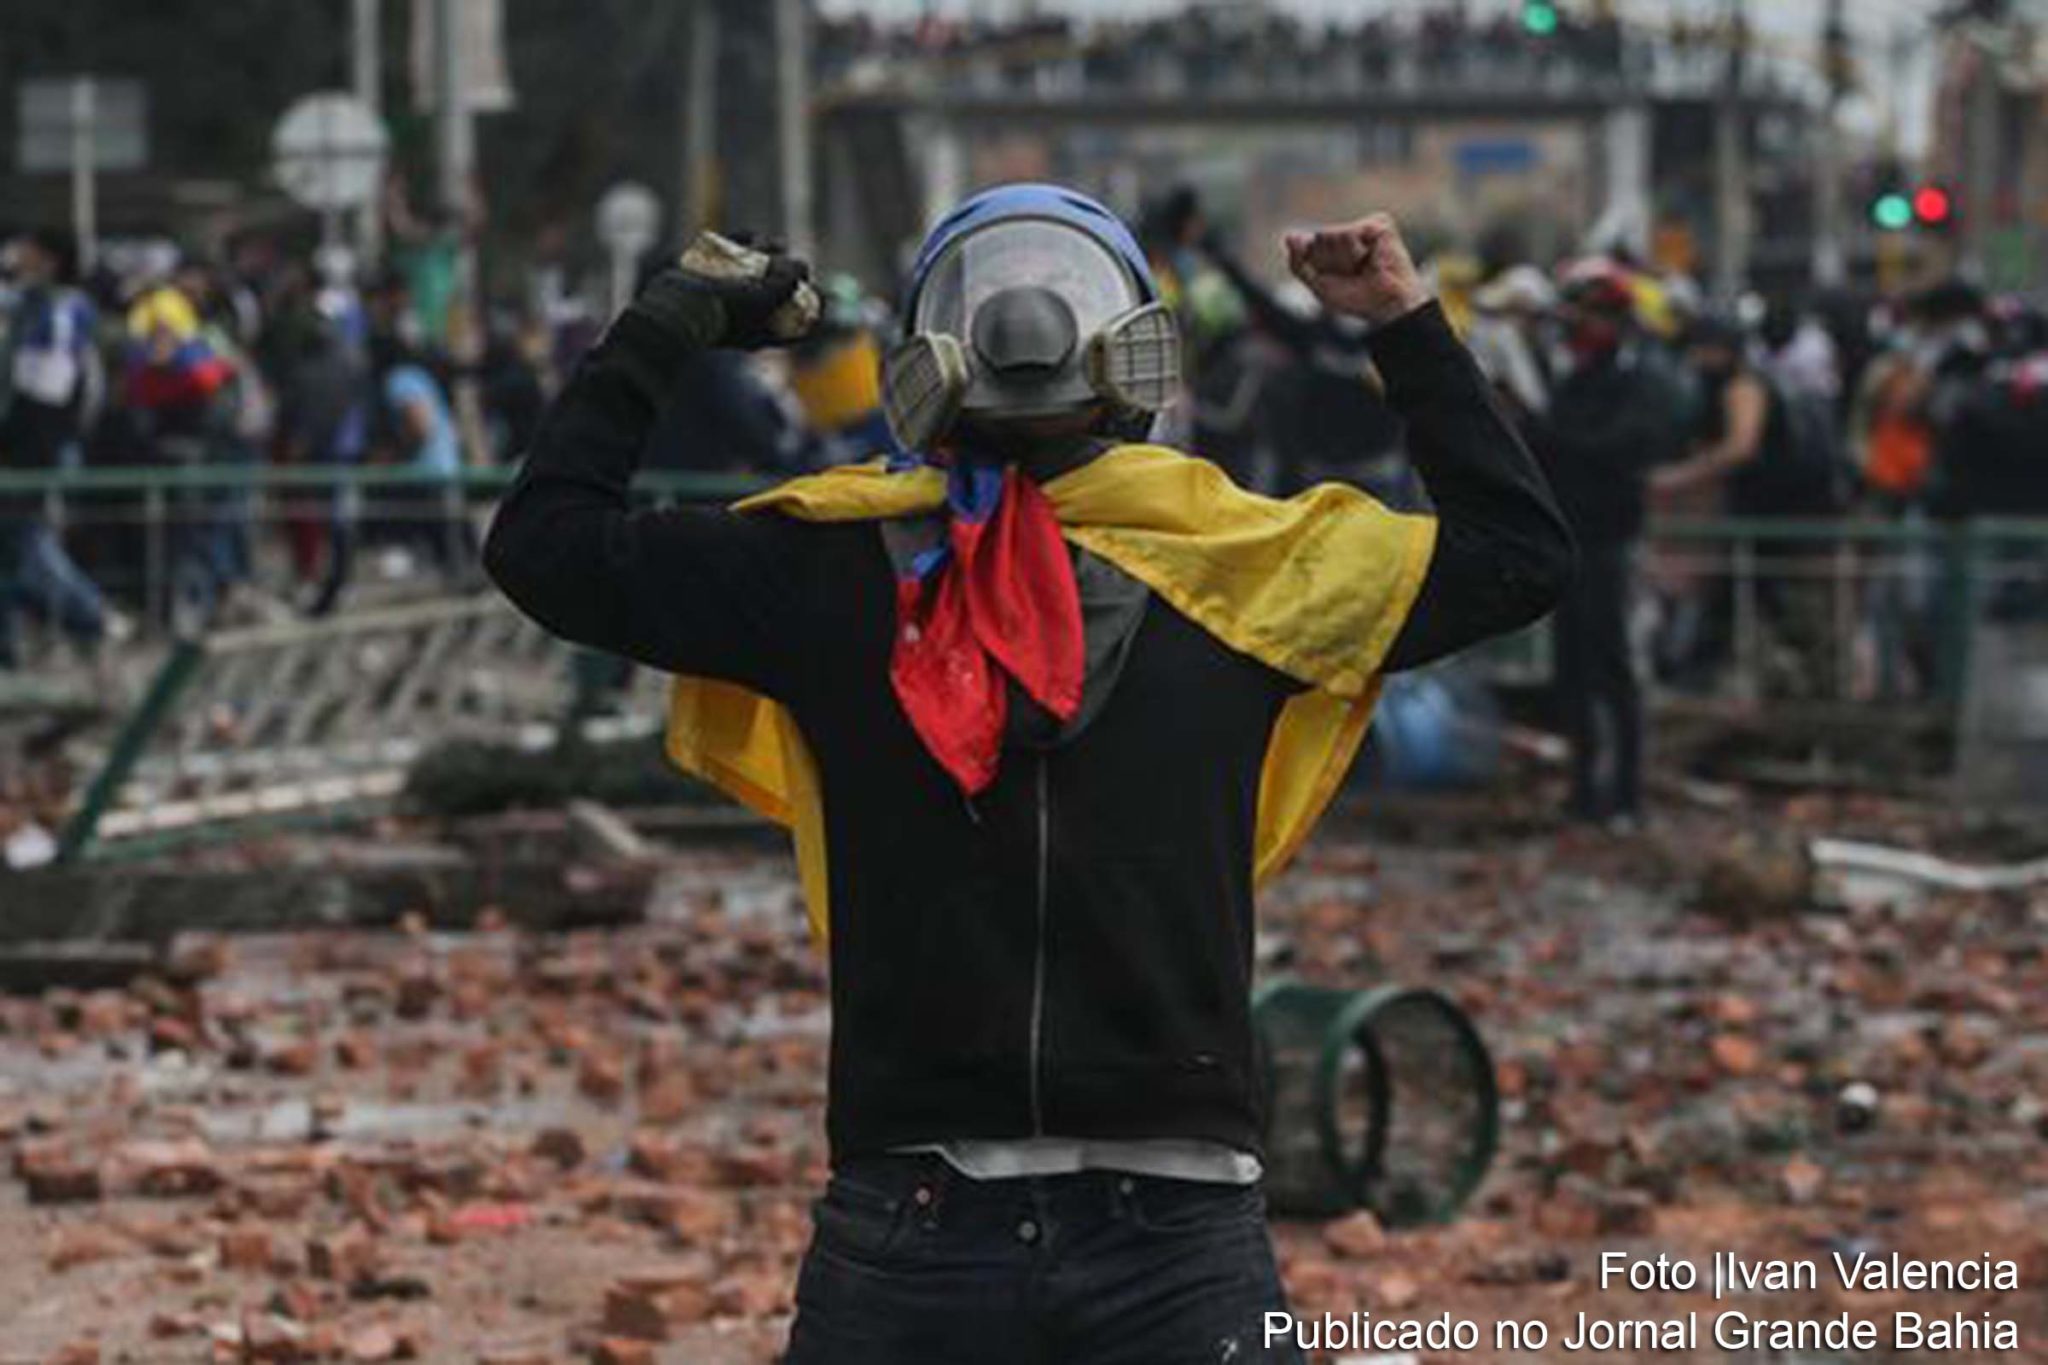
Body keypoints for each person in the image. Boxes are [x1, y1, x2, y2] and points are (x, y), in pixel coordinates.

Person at [485, 185, 1572, 1363]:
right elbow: (1516, 554)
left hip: (915, 1220)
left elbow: (545, 545)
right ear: (1134, 361)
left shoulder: (824, 572)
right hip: (1178, 1228)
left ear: (926, 367)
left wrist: (671, 322)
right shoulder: (1261, 577)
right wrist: (1399, 324)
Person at [1531, 262, 1675, 827]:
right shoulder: (1575, 380)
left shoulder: (1639, 382)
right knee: (1574, 671)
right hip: (1572, 540)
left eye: (1590, 314)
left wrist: (1551, 435)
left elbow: (1617, 447)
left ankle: (1626, 795)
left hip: (1611, 542)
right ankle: (1584, 792)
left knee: (1614, 671)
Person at [0, 228, 119, 668]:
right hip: (30, 446)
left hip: (37, 449)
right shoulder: (34, 305)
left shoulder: (60, 313)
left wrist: (18, 448)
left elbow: (46, 393)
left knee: (26, 543)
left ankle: (92, 618)